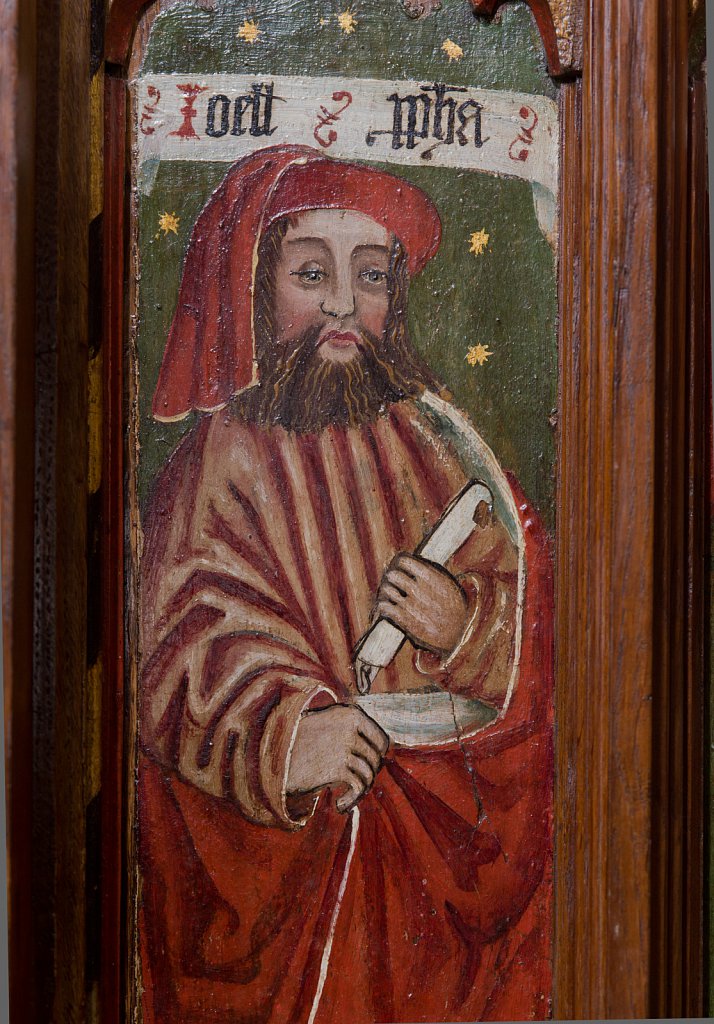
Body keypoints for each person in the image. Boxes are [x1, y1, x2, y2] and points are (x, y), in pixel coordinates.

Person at [138, 144, 553, 1023]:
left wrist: (465, 624)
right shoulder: (218, 464)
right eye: (311, 271)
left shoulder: (439, 442)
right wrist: (289, 736)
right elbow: (182, 643)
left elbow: (544, 612)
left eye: (369, 276)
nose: (340, 304)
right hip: (294, 870)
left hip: (441, 878)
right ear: (259, 287)